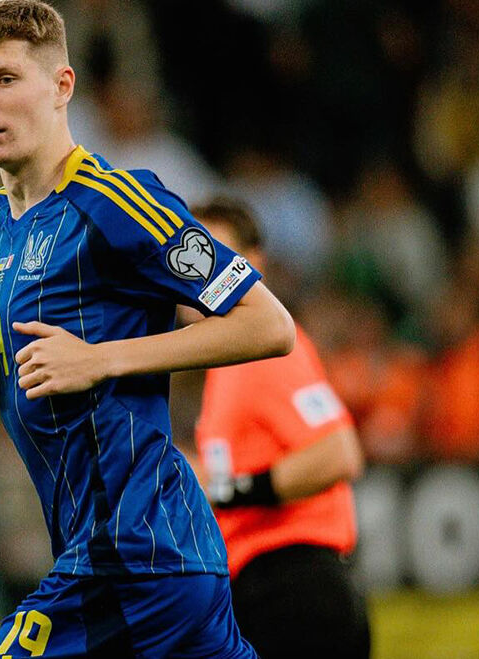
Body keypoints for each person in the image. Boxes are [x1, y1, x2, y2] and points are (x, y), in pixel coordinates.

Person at [0, 0, 295, 658]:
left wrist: (103, 357)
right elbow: (42, 387)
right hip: (139, 558)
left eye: (5, 79)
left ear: (62, 86)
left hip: (138, 554)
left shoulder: (117, 200)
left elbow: (267, 324)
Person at [189, 198, 371, 659]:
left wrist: (227, 491)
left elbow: (338, 452)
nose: (194, 270)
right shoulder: (228, 362)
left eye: (212, 253)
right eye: (185, 254)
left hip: (295, 588)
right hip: (266, 588)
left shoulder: (263, 350)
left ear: (252, 264)